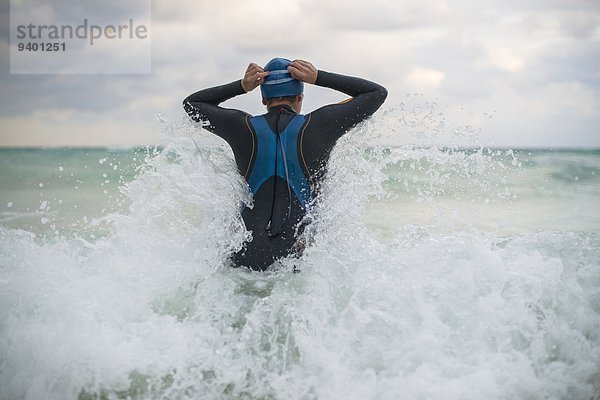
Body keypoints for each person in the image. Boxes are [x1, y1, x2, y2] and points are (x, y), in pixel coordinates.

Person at [183, 58, 387, 271]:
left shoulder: (242, 127)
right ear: (300, 96)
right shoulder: (320, 125)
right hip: (295, 260)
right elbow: (375, 93)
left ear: (264, 100)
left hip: (244, 258)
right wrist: (318, 77)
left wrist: (242, 86)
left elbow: (192, 104)